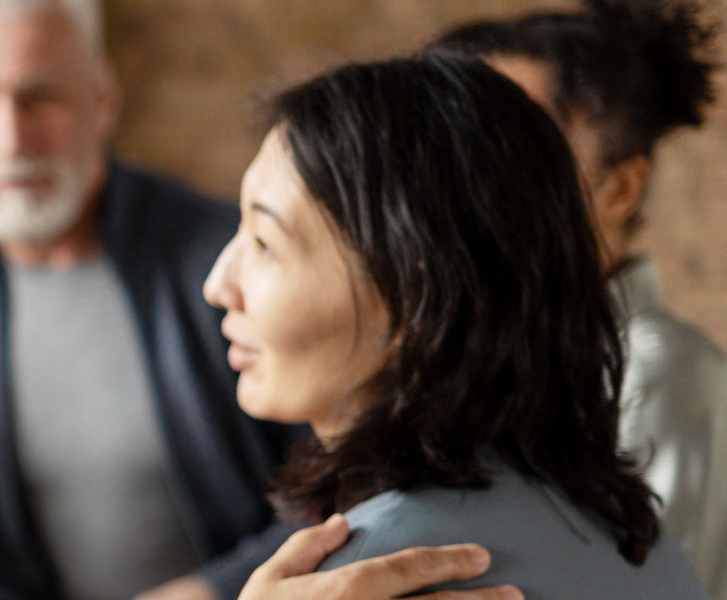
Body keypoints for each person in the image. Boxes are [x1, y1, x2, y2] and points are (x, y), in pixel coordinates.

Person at [204, 52, 708, 597]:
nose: (218, 284)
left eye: (263, 243)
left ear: (413, 296)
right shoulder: (634, 533)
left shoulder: (364, 577)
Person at [0, 0, 308, 598]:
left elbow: (342, 486)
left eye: (39, 97)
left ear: (102, 97)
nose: (10, 140)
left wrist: (213, 592)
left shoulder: (224, 258)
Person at [430, 2, 727, 594]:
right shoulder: (464, 361)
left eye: (517, 149)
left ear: (620, 186)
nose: (468, 182)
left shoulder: (660, 373)